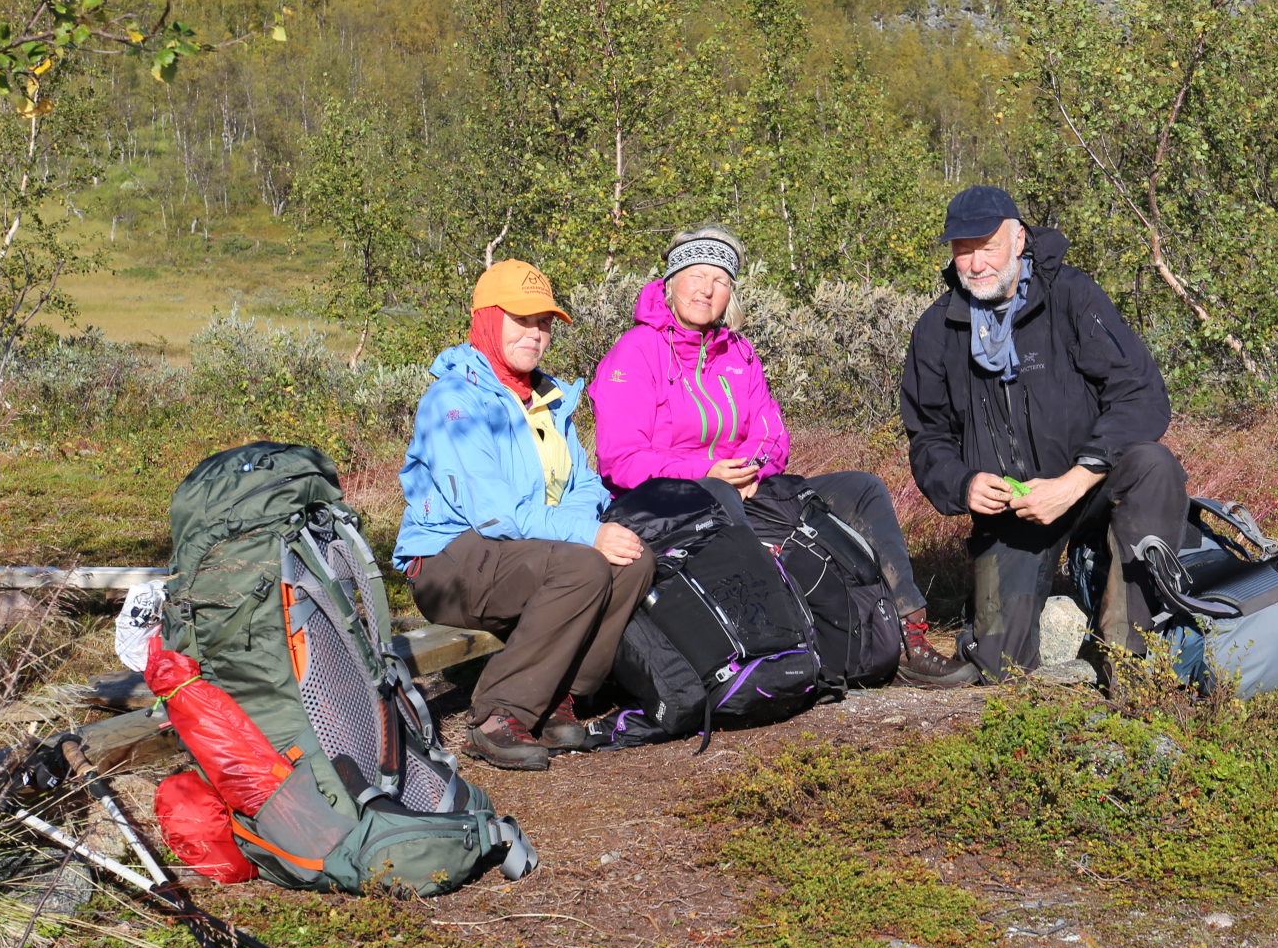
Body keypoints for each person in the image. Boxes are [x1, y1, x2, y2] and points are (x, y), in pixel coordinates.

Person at [590, 227, 977, 687]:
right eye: (694, 275)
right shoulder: (635, 353)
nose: (706, 288)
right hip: (672, 508)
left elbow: (772, 432)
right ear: (671, 283)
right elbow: (620, 460)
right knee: (759, 518)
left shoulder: (738, 352)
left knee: (863, 490)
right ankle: (801, 653)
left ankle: (911, 636)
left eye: (720, 279)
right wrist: (708, 472)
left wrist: (752, 466)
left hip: (747, 488)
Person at [900, 186, 1190, 680]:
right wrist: (964, 484)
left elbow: (1141, 393)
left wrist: (1074, 481)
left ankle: (1127, 659)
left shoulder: (1071, 295)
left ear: (1019, 240)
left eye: (986, 246)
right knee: (1000, 665)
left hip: (1092, 483)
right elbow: (928, 436)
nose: (974, 263)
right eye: (962, 249)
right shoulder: (937, 329)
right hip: (1014, 510)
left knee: (1153, 466)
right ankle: (1008, 632)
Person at [394, 260, 652, 771]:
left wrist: (591, 529)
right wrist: (586, 536)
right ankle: (497, 714)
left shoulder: (549, 398)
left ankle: (559, 698)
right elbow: (492, 516)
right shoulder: (455, 400)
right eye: (522, 320)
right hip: (448, 557)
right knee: (585, 563)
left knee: (633, 561)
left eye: (545, 322)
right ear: (488, 318)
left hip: (524, 551)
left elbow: (583, 485)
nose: (536, 334)